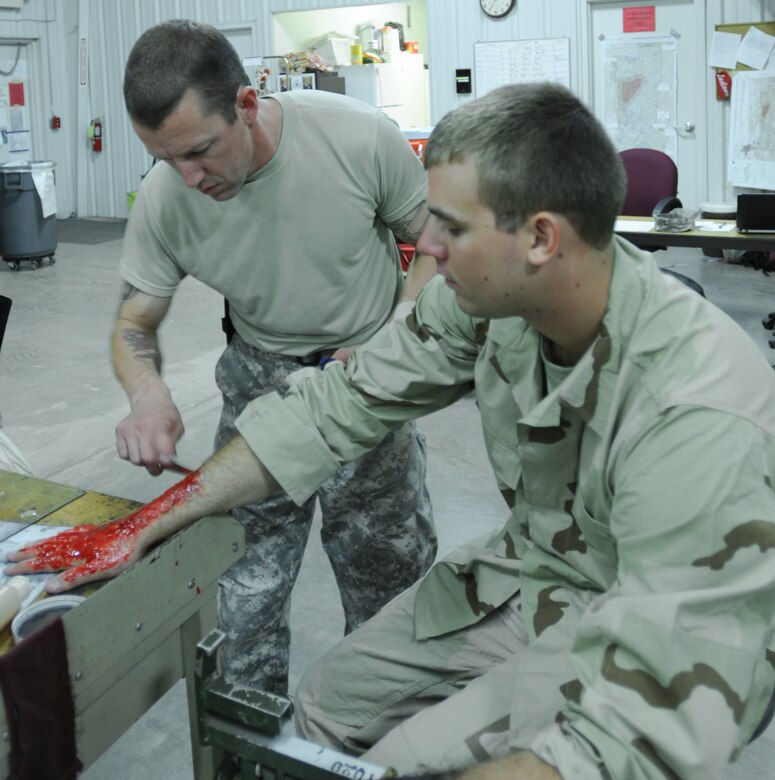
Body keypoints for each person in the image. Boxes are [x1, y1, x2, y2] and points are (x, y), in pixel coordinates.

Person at [8, 82, 775, 779]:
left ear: (540, 238)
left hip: (626, 611)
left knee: (417, 763)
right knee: (324, 710)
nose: (425, 249)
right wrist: (152, 519)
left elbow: (649, 721)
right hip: (527, 571)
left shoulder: (697, 413)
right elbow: (336, 405)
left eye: (448, 227)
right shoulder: (491, 301)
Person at [110, 20, 437, 694]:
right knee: (242, 599)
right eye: (166, 157)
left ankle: (380, 748)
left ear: (247, 104)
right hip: (258, 383)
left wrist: (394, 336)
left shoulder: (354, 135)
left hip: (364, 380)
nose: (188, 177)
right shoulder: (167, 196)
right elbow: (132, 322)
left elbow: (437, 244)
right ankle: (247, 752)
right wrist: (146, 393)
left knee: (388, 594)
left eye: (200, 151)